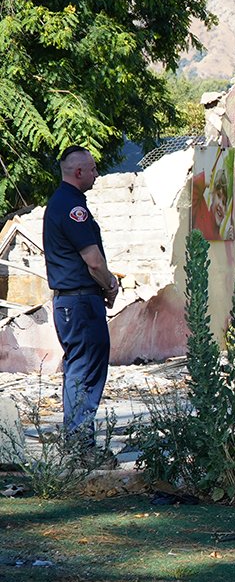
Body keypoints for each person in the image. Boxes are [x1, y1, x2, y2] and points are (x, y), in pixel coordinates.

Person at [43, 146, 119, 452]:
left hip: (70, 302)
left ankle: (77, 441)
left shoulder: (59, 203)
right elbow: (94, 261)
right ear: (78, 172)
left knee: (79, 369)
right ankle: (80, 445)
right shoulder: (72, 208)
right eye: (93, 169)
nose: (96, 174)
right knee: (86, 370)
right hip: (80, 302)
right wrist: (110, 285)